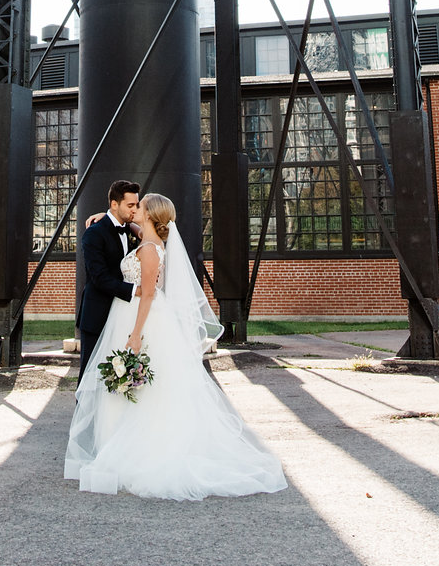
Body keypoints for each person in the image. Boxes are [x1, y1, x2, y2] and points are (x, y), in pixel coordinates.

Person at [64, 192, 287, 500]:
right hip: (127, 316)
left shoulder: (152, 250)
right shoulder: (147, 238)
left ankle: (142, 453)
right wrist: (106, 218)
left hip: (142, 319)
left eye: (139, 207)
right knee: (134, 386)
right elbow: (133, 230)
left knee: (146, 387)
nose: (135, 210)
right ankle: (121, 446)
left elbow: (150, 294)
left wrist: (136, 333)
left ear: (151, 215)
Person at [76, 181, 141, 377]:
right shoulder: (94, 233)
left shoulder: (129, 229)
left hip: (122, 316)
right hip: (98, 314)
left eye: (136, 205)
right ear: (114, 204)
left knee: (118, 374)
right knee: (90, 375)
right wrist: (133, 290)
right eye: (130, 205)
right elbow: (99, 278)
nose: (134, 210)